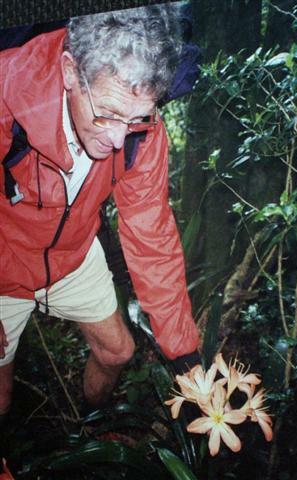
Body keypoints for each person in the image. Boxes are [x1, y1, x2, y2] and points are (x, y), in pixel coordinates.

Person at [0, 5, 200, 419]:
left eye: (137, 117)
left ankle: (89, 429)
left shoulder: (139, 134)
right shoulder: (6, 91)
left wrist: (185, 357)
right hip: (4, 256)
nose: (116, 138)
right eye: (107, 113)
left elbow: (152, 235)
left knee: (118, 351)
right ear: (71, 71)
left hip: (71, 253)